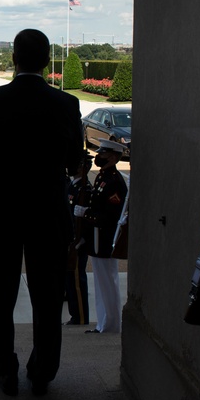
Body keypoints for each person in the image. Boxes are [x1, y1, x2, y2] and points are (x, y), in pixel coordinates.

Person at [0, 28, 84, 396]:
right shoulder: (66, 104)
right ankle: (42, 372)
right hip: (48, 213)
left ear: (13, 59)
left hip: (1, 214)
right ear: (48, 61)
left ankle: (4, 369)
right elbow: (75, 163)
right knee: (48, 300)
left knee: (0, 299)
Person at [76, 139, 127, 334]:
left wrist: (86, 213)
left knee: (108, 280)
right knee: (100, 281)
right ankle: (103, 322)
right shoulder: (103, 177)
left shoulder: (114, 181)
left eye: (103, 154)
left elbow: (110, 215)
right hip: (97, 238)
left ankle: (111, 323)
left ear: (113, 157)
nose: (99, 157)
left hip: (104, 238)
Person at [63, 153, 93, 326]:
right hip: (69, 242)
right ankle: (75, 315)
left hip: (77, 243)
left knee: (76, 282)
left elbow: (84, 221)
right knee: (69, 281)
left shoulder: (84, 189)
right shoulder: (72, 187)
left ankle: (80, 316)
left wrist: (79, 240)